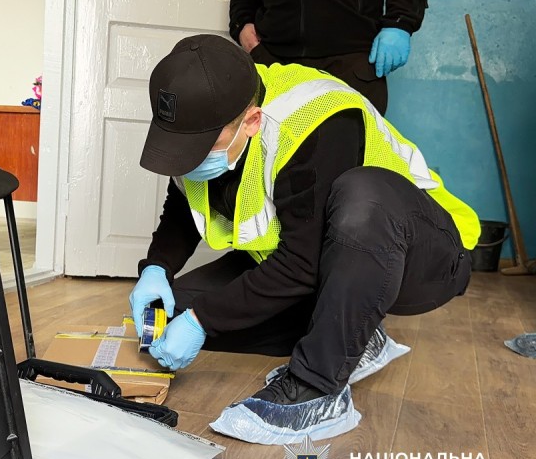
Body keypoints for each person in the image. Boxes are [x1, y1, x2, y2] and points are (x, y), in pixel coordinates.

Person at [130, 34, 479, 406]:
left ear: (251, 121)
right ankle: (354, 335)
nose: (191, 159)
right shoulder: (208, 119)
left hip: (424, 255)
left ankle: (316, 385)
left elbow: (301, 263)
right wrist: (157, 268)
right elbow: (184, 201)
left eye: (202, 148)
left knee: (362, 196)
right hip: (318, 264)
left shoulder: (314, 120)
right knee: (169, 314)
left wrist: (203, 320)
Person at [228, 0, 430, 115]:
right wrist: (242, 21)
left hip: (352, 63)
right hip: (273, 59)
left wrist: (400, 22)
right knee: (272, 160)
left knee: (350, 161)